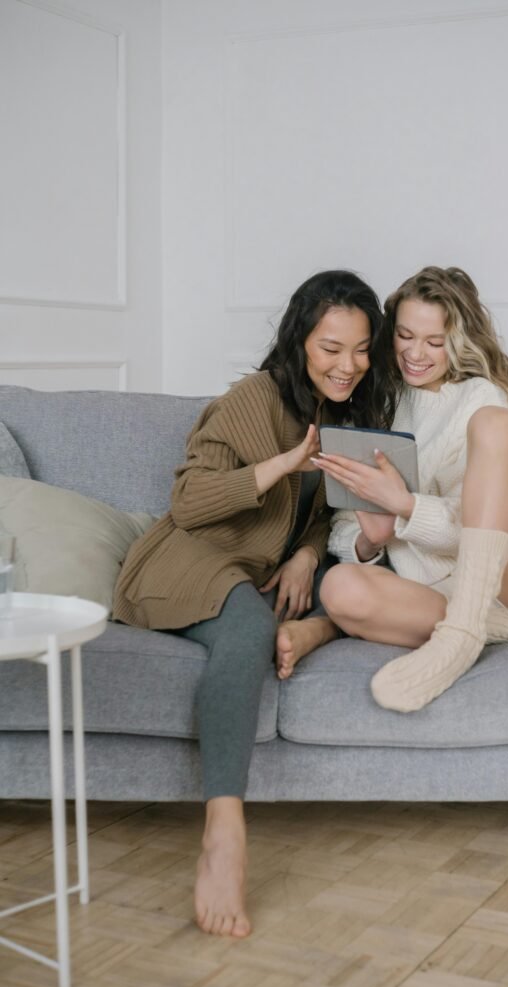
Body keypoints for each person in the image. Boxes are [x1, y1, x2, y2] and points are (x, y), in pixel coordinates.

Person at [112, 269, 397, 937]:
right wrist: (282, 464)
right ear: (299, 341)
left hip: (260, 572)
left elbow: (329, 516)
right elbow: (189, 503)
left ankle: (306, 631)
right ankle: (223, 833)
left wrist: (304, 553)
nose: (347, 365)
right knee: (246, 630)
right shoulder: (253, 397)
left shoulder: (349, 413)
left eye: (360, 349)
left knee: (338, 597)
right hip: (187, 560)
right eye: (331, 348)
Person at [276, 266, 508, 708]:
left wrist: (406, 507)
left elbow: (484, 527)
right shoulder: (376, 405)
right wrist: (373, 540)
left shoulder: (479, 399)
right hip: (436, 593)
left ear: (458, 342)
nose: (415, 354)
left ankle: (465, 632)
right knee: (338, 586)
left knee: (497, 426)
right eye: (405, 336)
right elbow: (344, 527)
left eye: (434, 341)